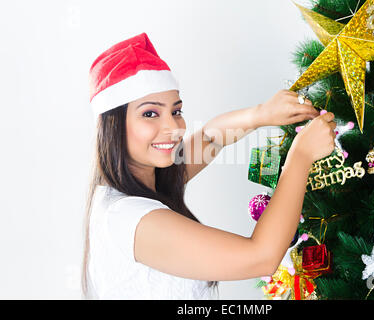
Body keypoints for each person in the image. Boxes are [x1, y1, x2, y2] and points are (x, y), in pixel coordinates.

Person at [82, 32, 336, 299]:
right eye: (149, 114)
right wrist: (300, 157)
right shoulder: (131, 219)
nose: (173, 128)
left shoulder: (137, 185)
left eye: (176, 111)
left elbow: (209, 138)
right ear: (112, 126)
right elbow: (260, 257)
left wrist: (261, 113)